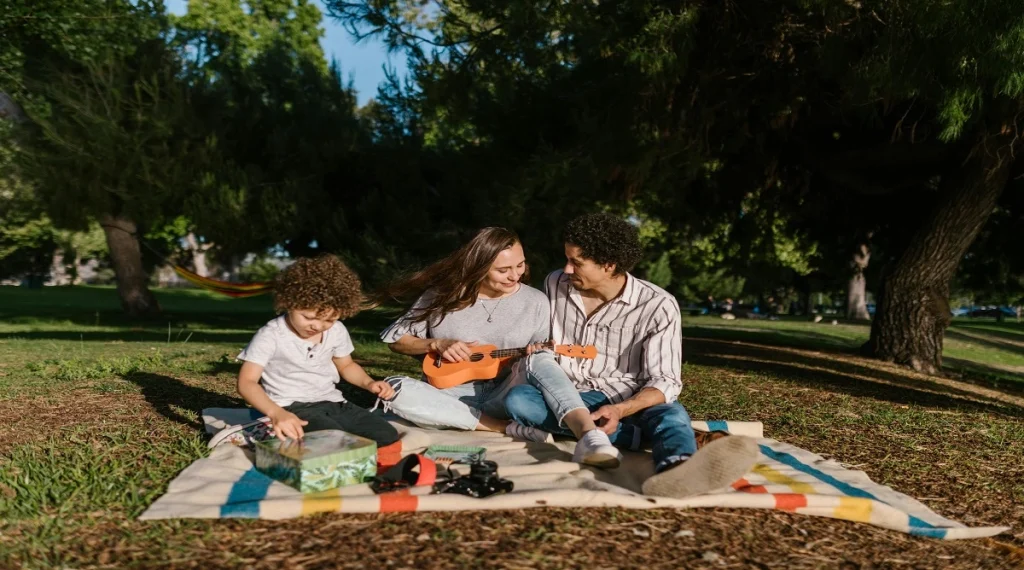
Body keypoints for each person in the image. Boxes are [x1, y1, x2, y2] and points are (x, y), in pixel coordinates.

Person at [505, 213, 760, 498]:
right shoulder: (555, 284)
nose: (566, 269)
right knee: (520, 402)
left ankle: (676, 470)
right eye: (567, 259)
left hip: (632, 399)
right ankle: (681, 437)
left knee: (670, 411)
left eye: (576, 262)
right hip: (569, 397)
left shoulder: (658, 305)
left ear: (608, 265)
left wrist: (620, 410)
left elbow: (665, 380)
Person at [372, 227, 553, 443]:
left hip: (505, 395)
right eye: (503, 270)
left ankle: (459, 419)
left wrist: (536, 355)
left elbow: (542, 363)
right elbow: (396, 341)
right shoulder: (443, 296)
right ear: (480, 267)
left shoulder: (536, 302)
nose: (514, 275)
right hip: (446, 395)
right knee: (393, 388)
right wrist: (435, 344)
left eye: (520, 265)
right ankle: (498, 426)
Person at [236, 254, 400, 447]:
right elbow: (247, 382)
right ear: (290, 303)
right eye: (308, 317)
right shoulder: (271, 335)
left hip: (333, 401)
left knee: (387, 435)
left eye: (329, 320)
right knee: (332, 441)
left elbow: (346, 365)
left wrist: (369, 383)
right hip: (289, 407)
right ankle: (270, 427)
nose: (318, 326)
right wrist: (276, 413)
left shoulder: (336, 330)